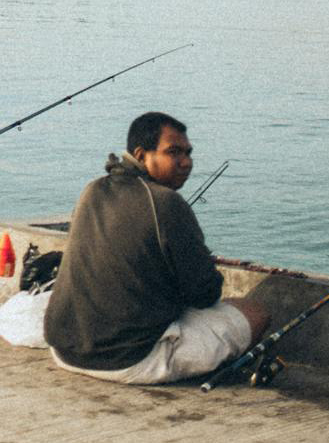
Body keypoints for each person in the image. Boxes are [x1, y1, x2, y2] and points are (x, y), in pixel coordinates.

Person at [42, 112, 270, 385]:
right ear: (141, 155)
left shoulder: (93, 189)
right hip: (128, 361)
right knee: (255, 313)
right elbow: (205, 294)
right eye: (173, 152)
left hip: (64, 350)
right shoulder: (167, 202)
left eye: (188, 152)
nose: (186, 162)